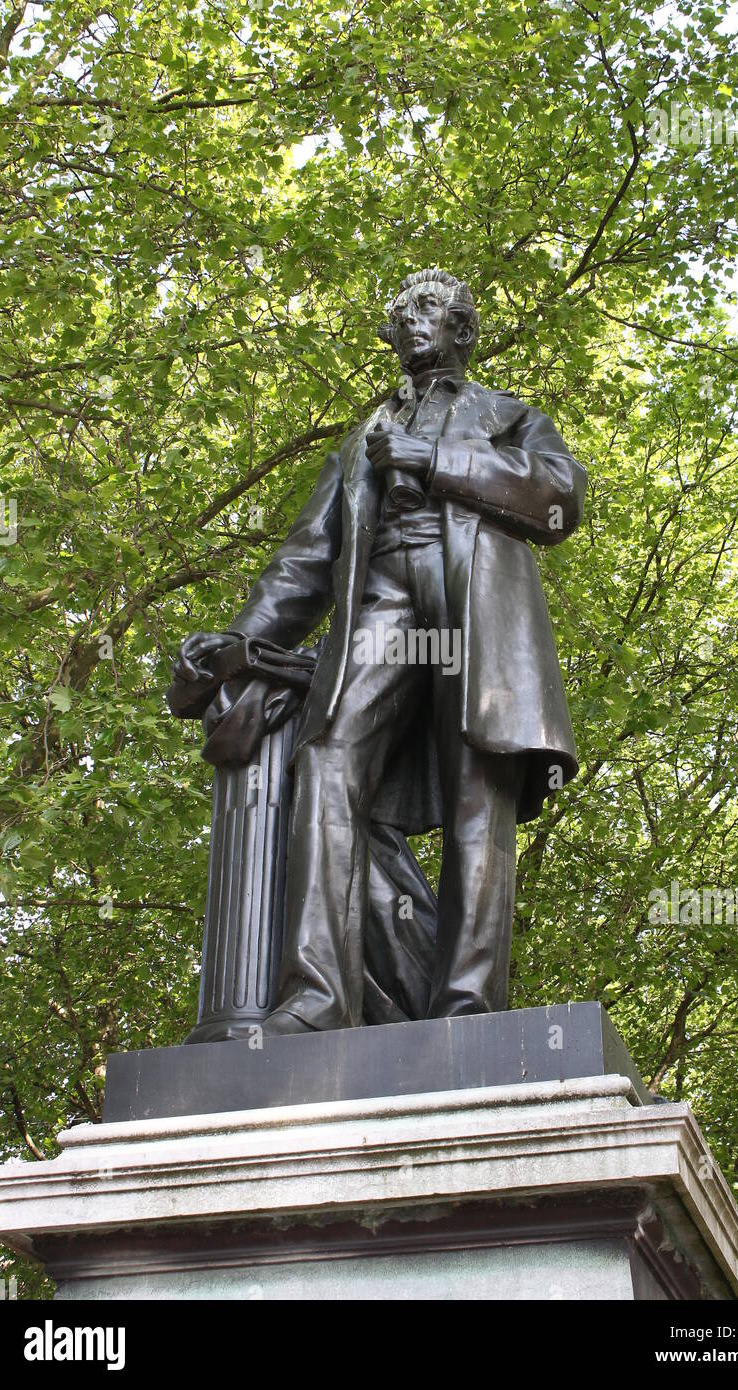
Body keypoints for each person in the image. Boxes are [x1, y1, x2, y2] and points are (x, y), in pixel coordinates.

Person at [175, 268, 587, 1033]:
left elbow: (560, 498)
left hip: (477, 608)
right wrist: (241, 640)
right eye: (399, 314)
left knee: (477, 794)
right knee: (325, 760)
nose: (408, 322)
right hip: (385, 600)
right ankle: (318, 1000)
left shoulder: (508, 415)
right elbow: (304, 560)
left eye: (426, 308)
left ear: (463, 330)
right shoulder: (358, 442)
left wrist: (437, 463)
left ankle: (466, 1005)